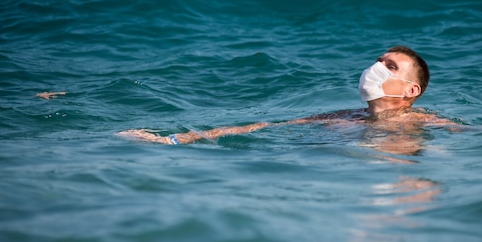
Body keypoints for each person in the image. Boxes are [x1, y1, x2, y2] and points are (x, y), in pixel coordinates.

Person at [118, 46, 456, 146]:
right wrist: (177, 139)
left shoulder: (422, 122)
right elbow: (267, 126)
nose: (376, 67)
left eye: (390, 66)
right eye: (378, 60)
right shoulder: (345, 117)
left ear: (412, 91)